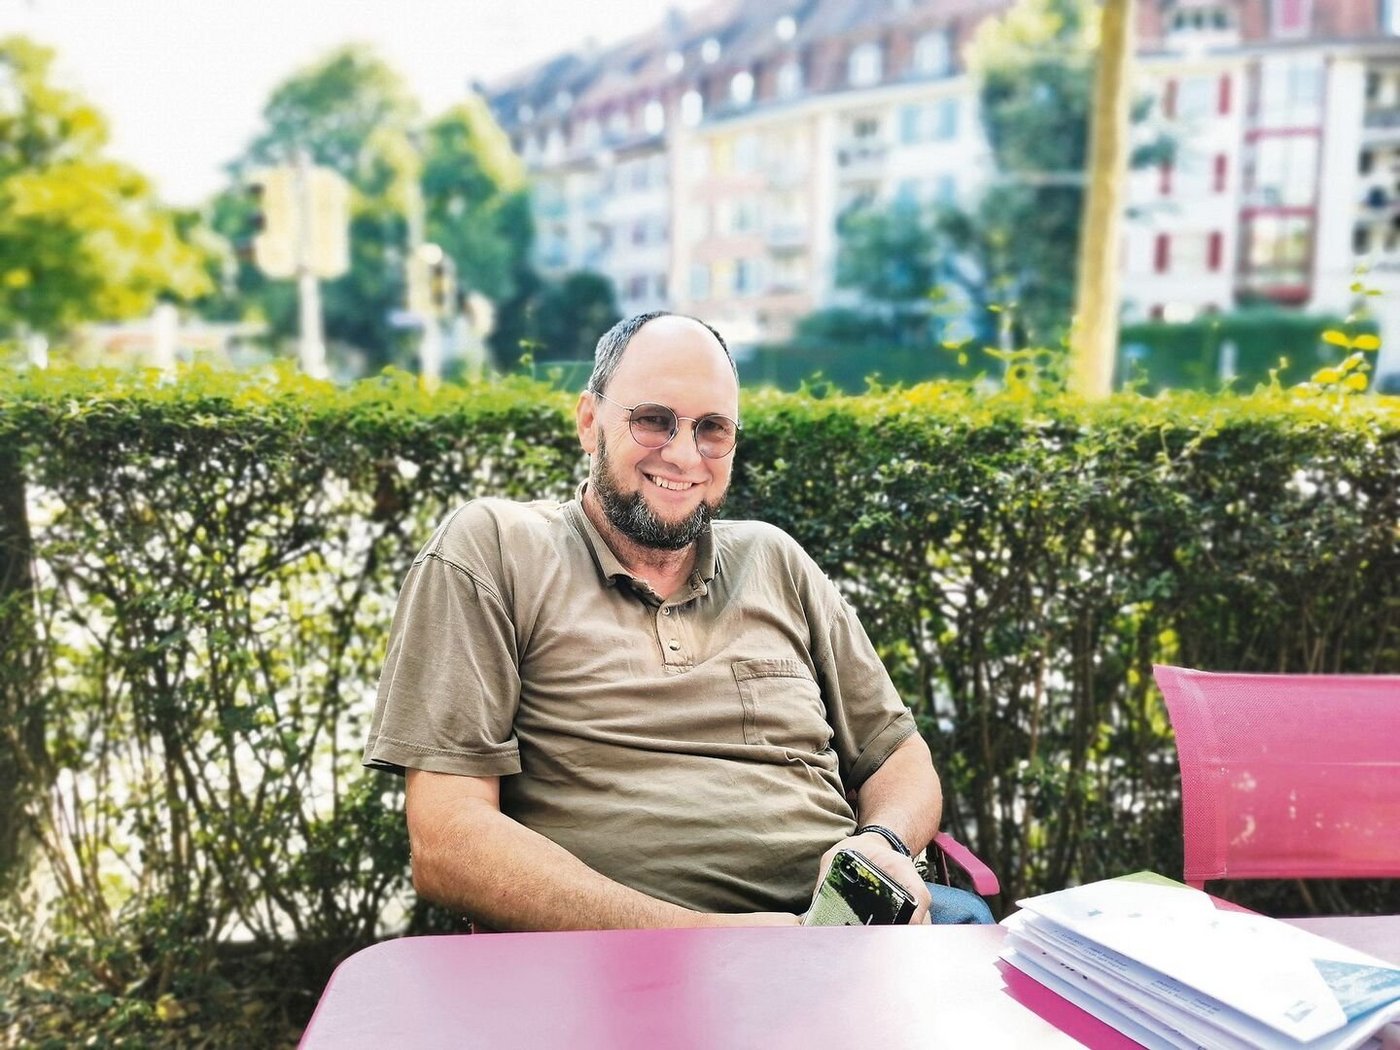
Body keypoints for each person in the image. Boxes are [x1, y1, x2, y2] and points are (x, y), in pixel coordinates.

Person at [363, 311, 993, 930]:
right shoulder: (496, 548)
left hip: (838, 937)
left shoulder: (774, 560)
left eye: (712, 429)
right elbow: (448, 840)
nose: (686, 455)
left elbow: (896, 754)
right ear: (589, 422)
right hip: (613, 966)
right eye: (653, 420)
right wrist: (708, 943)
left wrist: (883, 842)